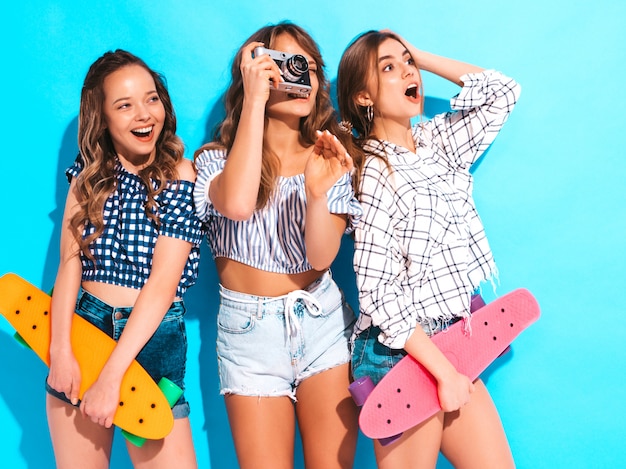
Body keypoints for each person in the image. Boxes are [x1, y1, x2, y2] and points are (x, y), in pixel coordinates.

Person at [336, 30, 522, 468]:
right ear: (364, 98)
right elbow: (381, 296)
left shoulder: (437, 143)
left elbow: (503, 92)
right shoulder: (372, 172)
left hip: (455, 336)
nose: (406, 71)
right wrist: (444, 372)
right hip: (398, 352)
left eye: (407, 64)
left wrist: (417, 54)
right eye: (388, 67)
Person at [193, 21, 362, 469]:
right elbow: (239, 204)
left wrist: (317, 192)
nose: (302, 77)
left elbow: (322, 257)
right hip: (249, 336)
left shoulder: (331, 157)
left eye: (309, 67)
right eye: (286, 65)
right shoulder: (214, 160)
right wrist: (255, 100)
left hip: (322, 321)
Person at [46, 49, 202, 468]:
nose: (143, 114)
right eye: (125, 105)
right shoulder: (88, 176)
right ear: (103, 118)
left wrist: (112, 376)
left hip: (150, 342)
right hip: (83, 330)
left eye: (151, 99)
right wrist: (60, 352)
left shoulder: (180, 175)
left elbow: (162, 285)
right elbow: (69, 265)